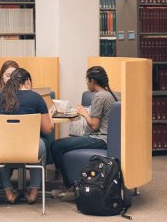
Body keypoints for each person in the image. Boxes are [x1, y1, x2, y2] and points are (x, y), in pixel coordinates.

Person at [49, 66, 119, 202]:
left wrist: (84, 113)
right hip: (107, 138)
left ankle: (69, 186)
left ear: (92, 81)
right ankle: (70, 184)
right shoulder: (111, 94)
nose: (86, 83)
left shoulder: (99, 96)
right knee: (61, 146)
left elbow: (94, 126)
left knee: (56, 146)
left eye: (87, 80)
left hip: (100, 138)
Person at [0, 68, 54, 204]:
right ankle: (34, 192)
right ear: (27, 81)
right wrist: (50, 116)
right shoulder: (35, 97)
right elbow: (47, 129)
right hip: (29, 148)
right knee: (40, 144)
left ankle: (8, 192)